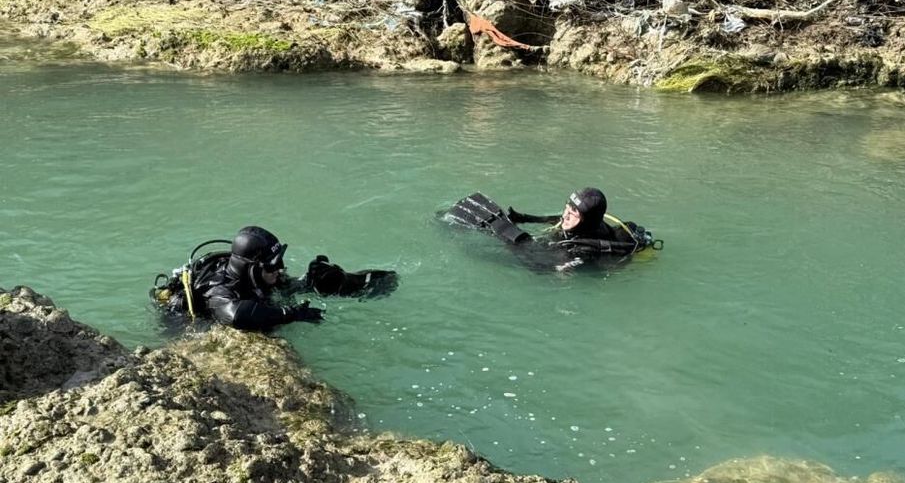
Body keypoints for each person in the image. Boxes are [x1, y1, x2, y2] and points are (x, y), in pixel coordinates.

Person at [150, 225, 397, 330]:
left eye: (279, 263)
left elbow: (281, 287)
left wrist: (313, 282)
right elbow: (235, 315)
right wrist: (290, 315)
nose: (279, 270)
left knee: (323, 280)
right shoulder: (219, 290)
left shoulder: (261, 276)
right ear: (253, 268)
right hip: (187, 327)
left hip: (252, 299)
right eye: (272, 266)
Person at [443, 187, 661, 271]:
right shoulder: (587, 223)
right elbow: (558, 219)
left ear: (587, 221)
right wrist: (525, 218)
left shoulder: (582, 248)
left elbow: (541, 267)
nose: (566, 215)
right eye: (567, 207)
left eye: (573, 213)